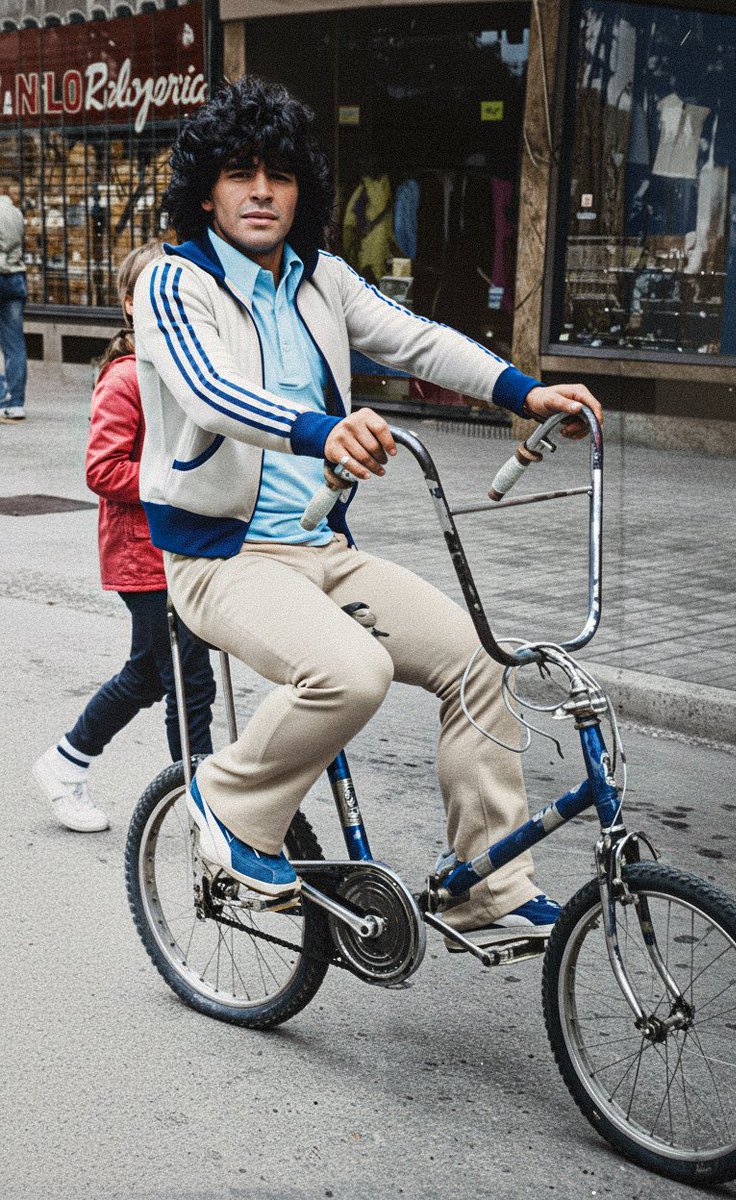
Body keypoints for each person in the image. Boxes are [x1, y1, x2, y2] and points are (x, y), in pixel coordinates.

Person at [133, 77, 603, 948]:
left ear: (301, 189)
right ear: (206, 191)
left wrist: (524, 392)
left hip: (323, 546)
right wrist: (324, 430)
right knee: (353, 672)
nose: (262, 192)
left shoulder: (323, 278)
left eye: (279, 175)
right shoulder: (174, 282)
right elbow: (209, 392)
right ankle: (229, 804)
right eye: (240, 174)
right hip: (222, 560)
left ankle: (487, 885)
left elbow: (415, 337)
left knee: (482, 660)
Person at [33, 240, 216, 833]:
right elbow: (103, 469)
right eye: (153, 290)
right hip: (145, 555)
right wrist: (180, 480)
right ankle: (205, 808)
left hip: (180, 547)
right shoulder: (125, 377)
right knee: (188, 683)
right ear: (130, 304)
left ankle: (65, 764)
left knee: (152, 674)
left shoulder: (183, 369)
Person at [0, 188, 27, 422]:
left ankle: (2, 395)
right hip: (15, 277)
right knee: (14, 343)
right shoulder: (15, 213)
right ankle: (15, 402)